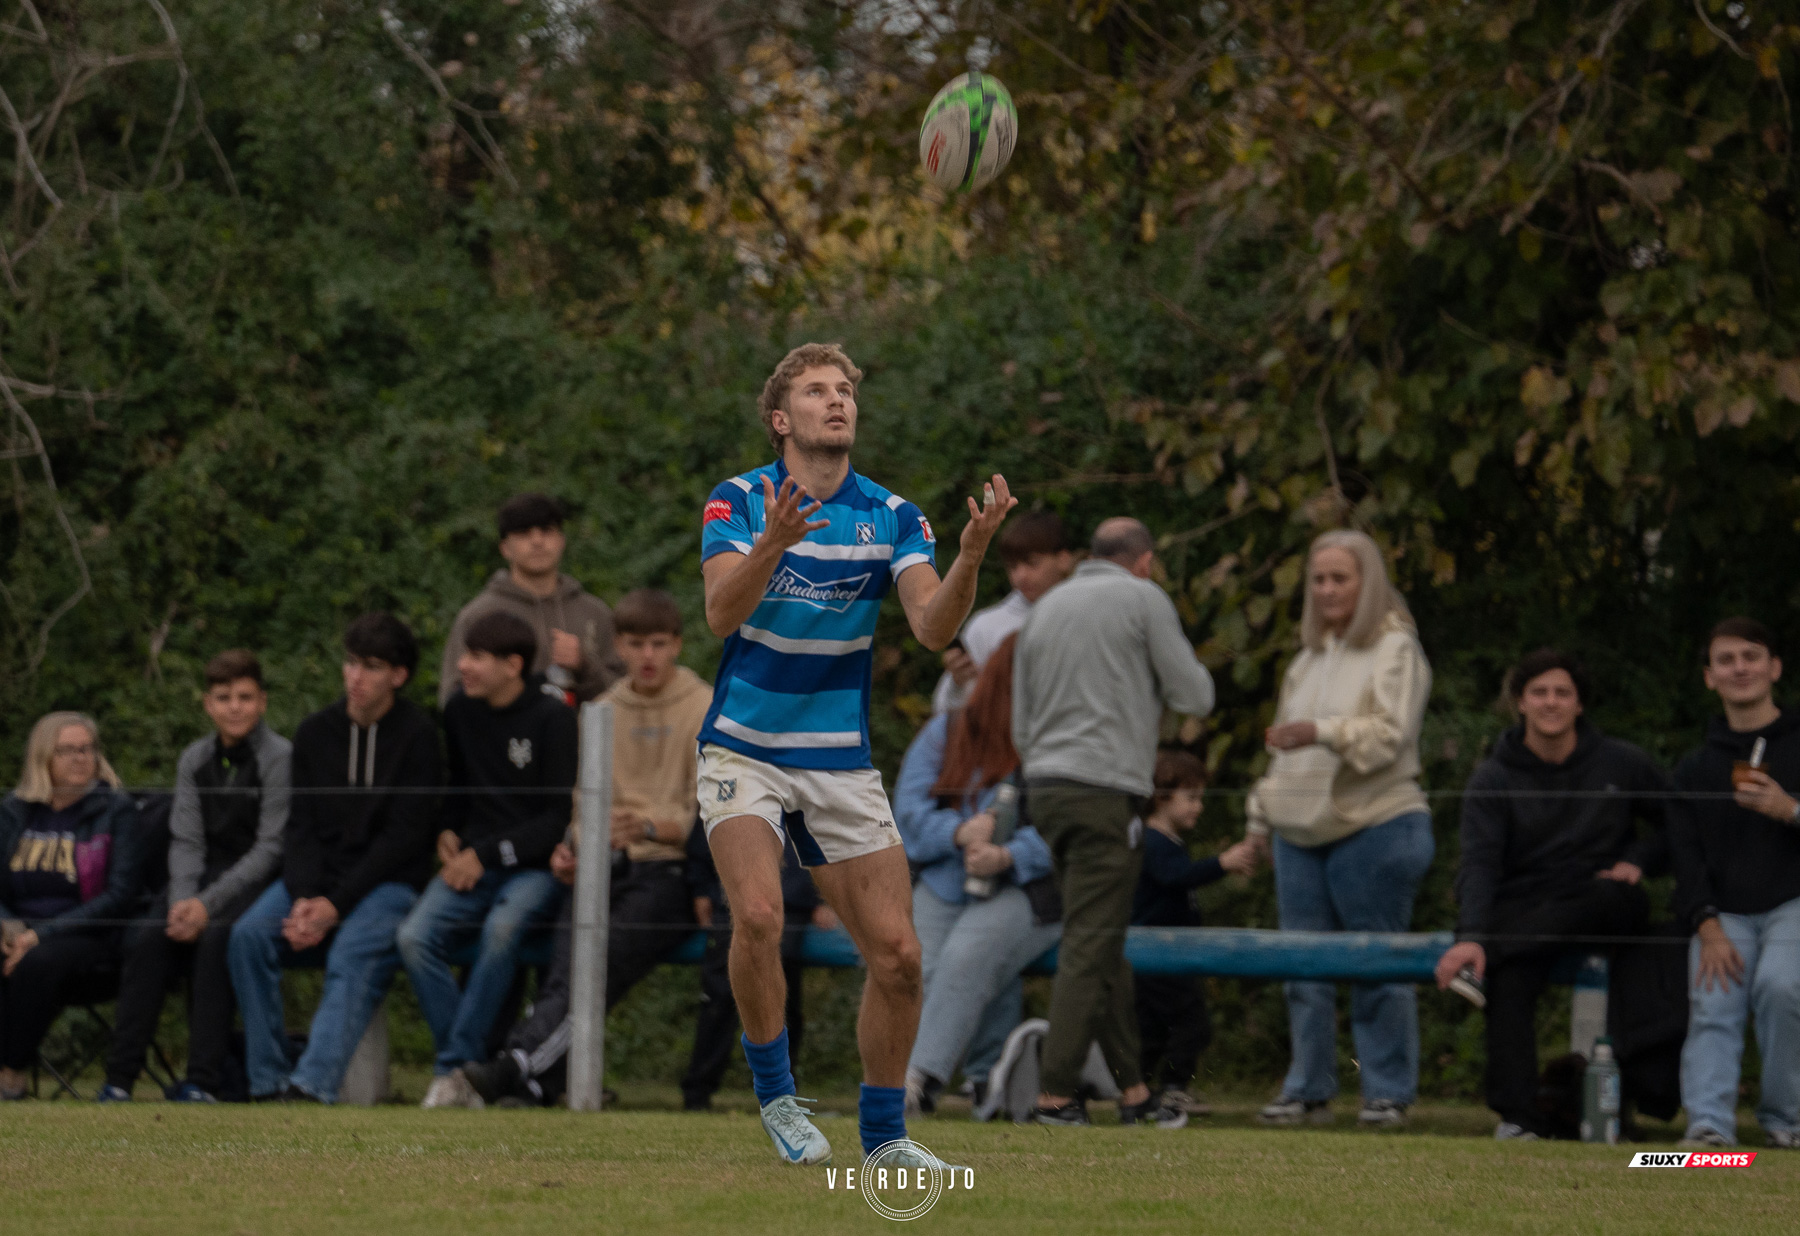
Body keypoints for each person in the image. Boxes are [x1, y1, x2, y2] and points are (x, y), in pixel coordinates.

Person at [696, 342, 1014, 1168]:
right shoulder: (736, 501)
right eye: (814, 391)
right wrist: (773, 544)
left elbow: (933, 627)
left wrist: (973, 555)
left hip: (838, 758)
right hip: (745, 747)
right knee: (760, 915)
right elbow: (720, 617)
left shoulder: (895, 515)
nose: (836, 402)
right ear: (781, 419)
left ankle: (884, 1141)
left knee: (901, 958)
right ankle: (778, 1098)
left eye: (844, 391)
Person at [440, 588, 715, 1108]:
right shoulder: (604, 707)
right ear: (617, 646)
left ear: (678, 644)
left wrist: (650, 827)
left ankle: (515, 1064)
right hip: (600, 864)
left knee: (597, 968)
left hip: (669, 873)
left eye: (658, 643)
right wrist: (573, 844)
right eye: (635, 644)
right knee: (568, 969)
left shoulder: (703, 705)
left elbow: (707, 811)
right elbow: (578, 802)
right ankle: (540, 1082)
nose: (647, 656)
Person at [1012, 516, 1217, 1128]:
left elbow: (1020, 724)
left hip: (1044, 787)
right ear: (1145, 561)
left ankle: (1133, 1093)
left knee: (1099, 940)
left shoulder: (1043, 609)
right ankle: (1054, 1095)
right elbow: (1196, 696)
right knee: (1087, 944)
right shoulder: (1141, 597)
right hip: (1104, 790)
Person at [1432, 649, 1670, 1139]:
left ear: (1580, 704)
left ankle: (1493, 953)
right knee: (1512, 978)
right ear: (1520, 702)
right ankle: (1519, 1119)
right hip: (1529, 908)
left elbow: (1680, 825)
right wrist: (1471, 932)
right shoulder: (1492, 778)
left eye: (1563, 692)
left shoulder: (1622, 762)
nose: (1551, 702)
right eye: (1539, 692)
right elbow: (1479, 865)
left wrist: (1640, 860)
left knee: (1606, 901)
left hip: (1603, 899)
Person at [1245, 528, 1434, 1129]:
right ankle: (1308, 1089)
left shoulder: (1395, 649)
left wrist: (1323, 730)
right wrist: (1259, 821)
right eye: (1319, 579)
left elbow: (1387, 739)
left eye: (1340, 578)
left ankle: (1385, 1093)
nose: (1327, 590)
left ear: (1368, 582)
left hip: (1376, 825)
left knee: (1374, 966)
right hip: (1298, 834)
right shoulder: (1307, 658)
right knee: (1303, 971)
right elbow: (1282, 751)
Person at [227, 613, 443, 1103]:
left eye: (371, 666)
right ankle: (267, 1082)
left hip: (388, 885)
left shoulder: (419, 736)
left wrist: (335, 906)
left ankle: (309, 1087)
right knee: (246, 938)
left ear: (398, 675)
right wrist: (306, 898)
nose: (356, 676)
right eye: (350, 663)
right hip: (317, 882)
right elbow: (300, 827)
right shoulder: (315, 733)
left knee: (351, 954)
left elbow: (403, 840)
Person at [101, 651, 292, 1103]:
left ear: (262, 701)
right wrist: (183, 900)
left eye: (245, 697)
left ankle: (203, 1080)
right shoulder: (194, 759)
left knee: (215, 940)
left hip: (254, 879)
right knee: (149, 936)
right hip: (198, 873)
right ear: (207, 704)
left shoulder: (280, 757)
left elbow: (270, 847)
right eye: (224, 698)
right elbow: (186, 840)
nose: (234, 708)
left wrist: (207, 906)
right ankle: (119, 1079)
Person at [401, 611, 576, 1105]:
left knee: (501, 933)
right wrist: (448, 830)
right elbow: (459, 786)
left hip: (534, 869)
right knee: (413, 937)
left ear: (513, 665)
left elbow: (555, 818)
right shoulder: (459, 711)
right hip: (472, 864)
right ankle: (467, 1065)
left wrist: (487, 853)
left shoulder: (553, 718)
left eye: (475, 657)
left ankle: (451, 1069)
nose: (462, 666)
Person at [896, 632, 1060, 1116]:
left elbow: (1074, 832)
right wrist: (959, 833)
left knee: (971, 954)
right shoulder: (946, 732)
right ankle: (987, 1080)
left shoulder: (1059, 745)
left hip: (1030, 888)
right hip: (948, 877)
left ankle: (918, 1082)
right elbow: (906, 812)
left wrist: (1009, 855)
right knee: (916, 965)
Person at [1666, 617, 1800, 1150]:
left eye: (1750, 655)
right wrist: (1706, 923)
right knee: (1714, 998)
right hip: (1725, 913)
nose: (1739, 667)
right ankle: (1708, 1130)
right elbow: (1685, 854)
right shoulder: (1695, 768)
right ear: (1709, 677)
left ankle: (1785, 1121)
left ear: (1774, 668)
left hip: (1794, 902)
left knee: (1783, 987)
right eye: (1726, 659)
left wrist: (1789, 809)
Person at [0, 714, 147, 1100]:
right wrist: (8, 925)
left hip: (90, 937)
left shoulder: (116, 811)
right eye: (67, 750)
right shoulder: (14, 810)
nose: (80, 758)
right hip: (19, 933)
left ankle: (11, 1075)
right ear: (43, 756)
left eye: (87, 749)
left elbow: (120, 895)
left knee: (39, 962)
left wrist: (40, 935)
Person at [1132, 748, 1257, 1116]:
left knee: (1155, 1029)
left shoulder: (1167, 842)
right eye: (1191, 798)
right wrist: (1222, 863)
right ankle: (1170, 1088)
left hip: (1167, 956)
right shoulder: (1154, 843)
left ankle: (1146, 1089)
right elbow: (1176, 878)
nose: (1198, 807)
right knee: (1191, 1024)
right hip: (1159, 955)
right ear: (1161, 797)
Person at [680, 822, 829, 1111]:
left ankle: (784, 1094)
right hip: (732, 901)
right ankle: (697, 1092)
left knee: (782, 998)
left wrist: (822, 896)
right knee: (719, 995)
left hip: (793, 904)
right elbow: (707, 830)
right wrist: (702, 889)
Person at [439, 492, 625, 706]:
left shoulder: (595, 613)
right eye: (524, 533)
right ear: (505, 548)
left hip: (585, 738)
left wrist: (584, 665)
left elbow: (627, 693)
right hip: (506, 738)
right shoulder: (478, 615)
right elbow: (453, 699)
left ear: (561, 541)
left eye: (547, 531)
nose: (537, 541)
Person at [931, 511, 1075, 714]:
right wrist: (957, 683)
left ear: (1064, 559)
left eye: (1032, 563)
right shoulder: (987, 626)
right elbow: (943, 710)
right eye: (1012, 566)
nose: (1020, 575)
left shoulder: (1091, 615)